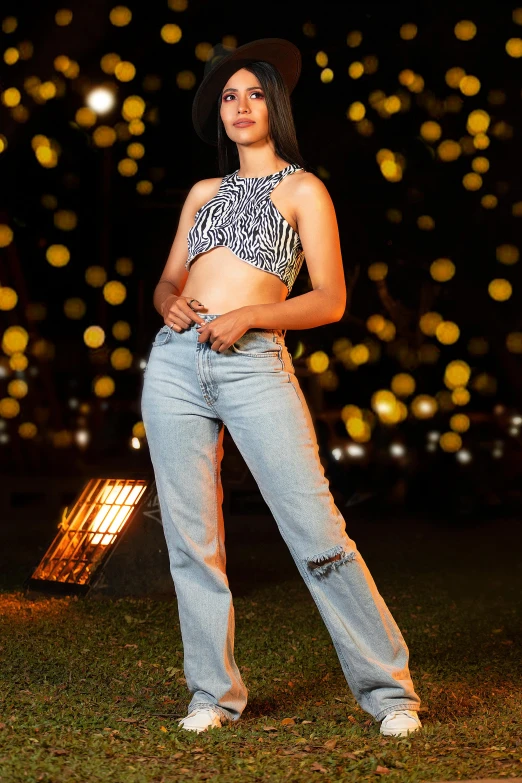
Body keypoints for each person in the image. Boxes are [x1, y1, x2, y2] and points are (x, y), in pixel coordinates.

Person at [141, 38, 422, 737]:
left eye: (254, 94)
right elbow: (168, 280)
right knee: (190, 539)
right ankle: (212, 691)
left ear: (276, 106)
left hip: (254, 360)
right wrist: (168, 301)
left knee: (318, 532)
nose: (241, 106)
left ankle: (390, 693)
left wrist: (252, 315)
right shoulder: (204, 193)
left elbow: (330, 299)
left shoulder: (303, 189)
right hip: (175, 363)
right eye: (229, 96)